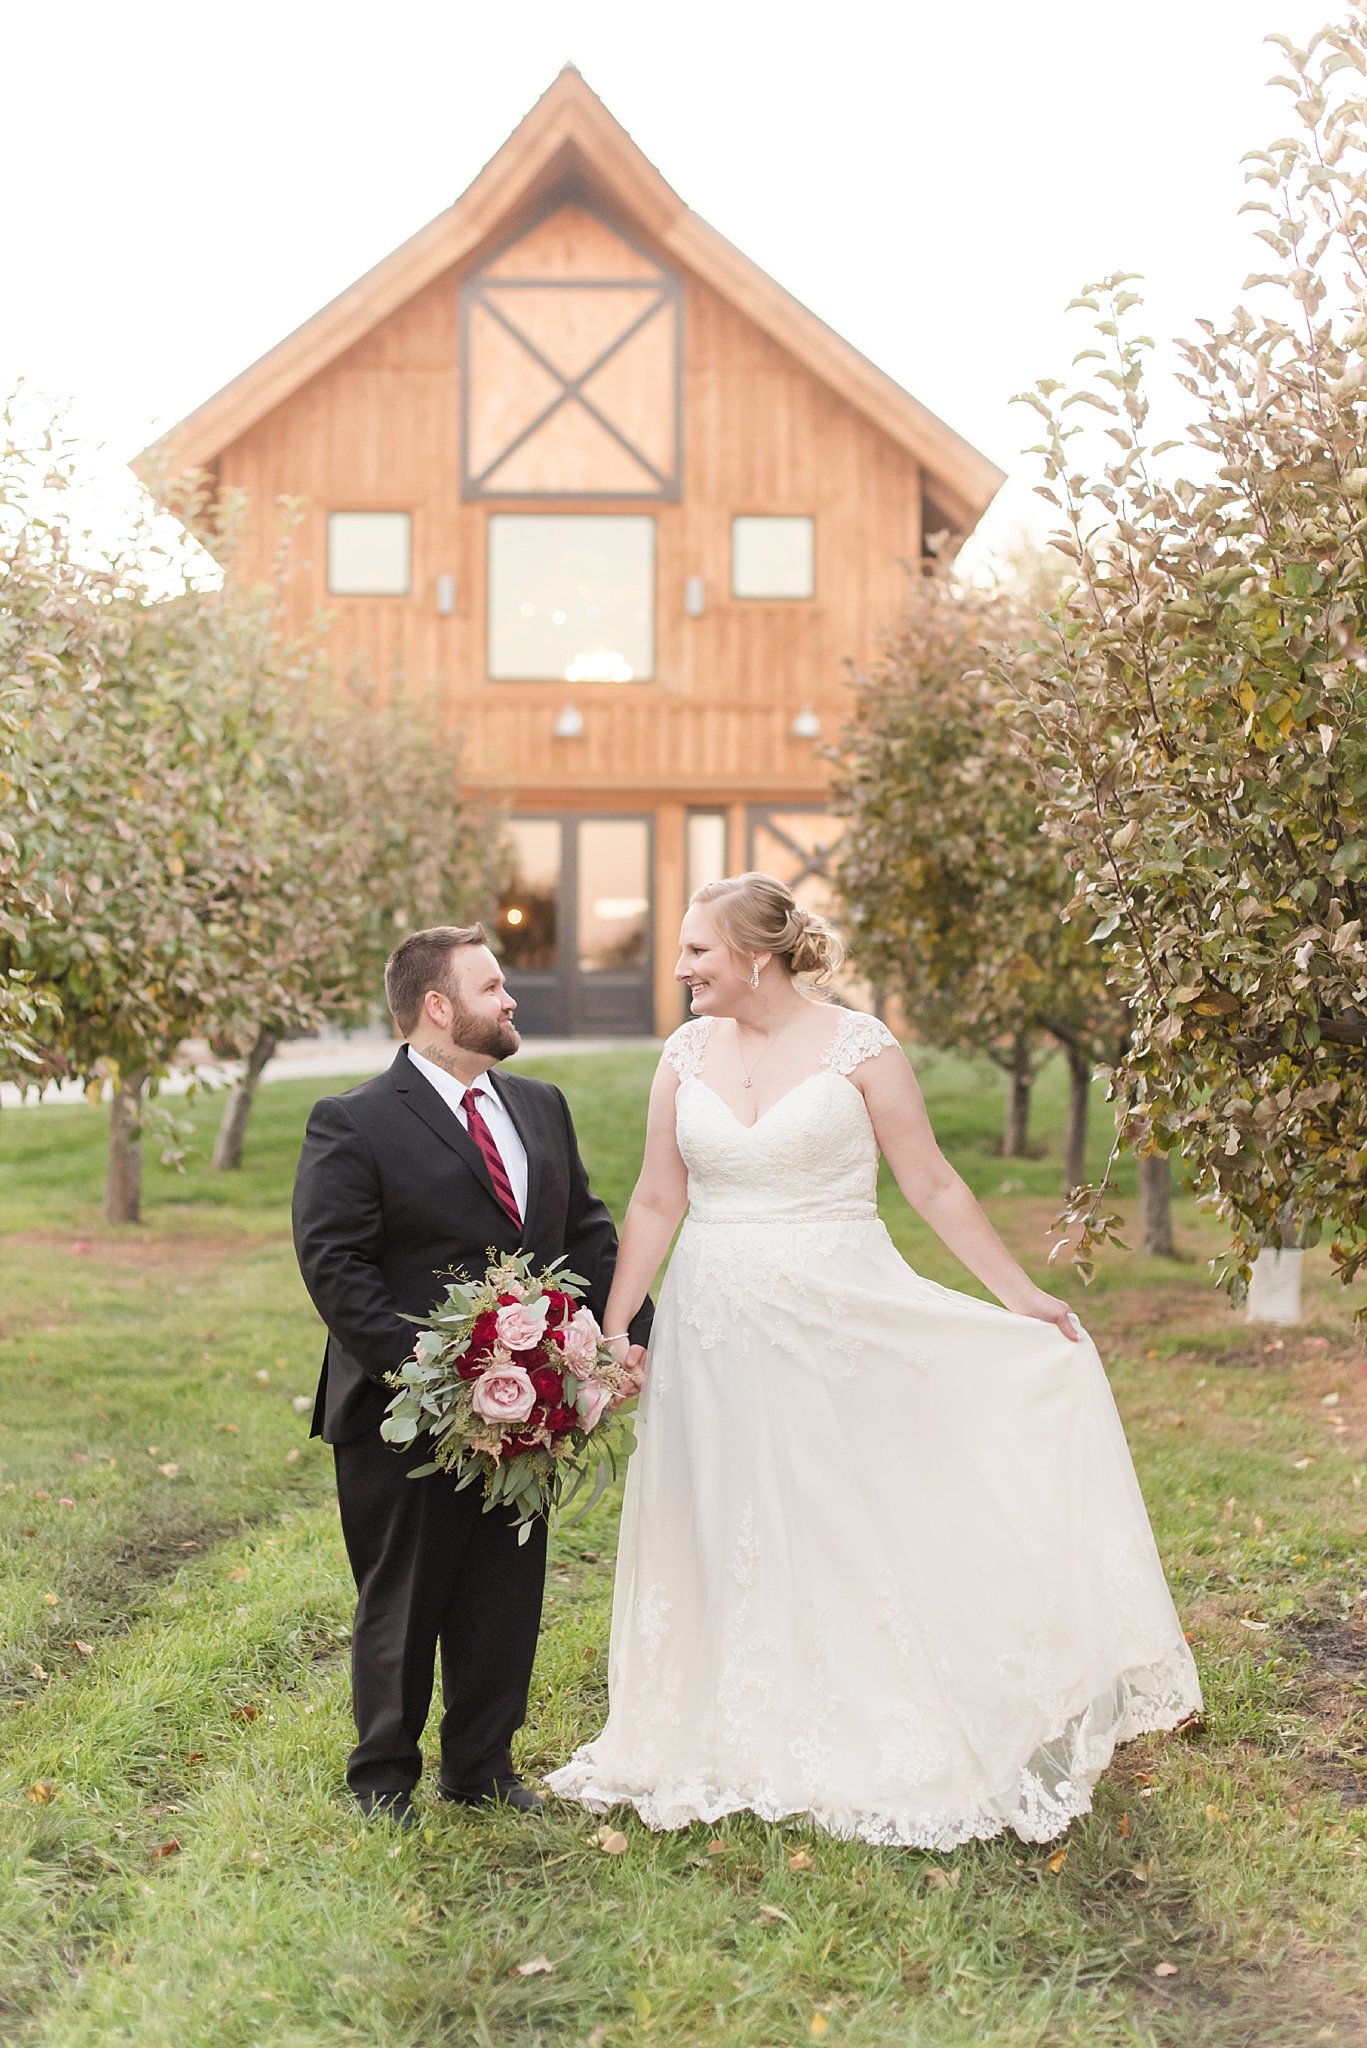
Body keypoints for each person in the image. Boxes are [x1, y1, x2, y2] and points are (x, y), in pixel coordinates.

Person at [547, 874, 1201, 1849]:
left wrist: (1016, 1293)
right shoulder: (682, 1054)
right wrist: (615, 1323)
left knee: (842, 1504)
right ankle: (728, 1717)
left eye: (695, 950)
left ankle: (876, 1709)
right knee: (724, 1508)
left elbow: (930, 1182)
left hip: (835, 1309)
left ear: (753, 956)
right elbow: (653, 1199)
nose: (679, 967)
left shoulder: (862, 1047)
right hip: (711, 1319)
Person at [292, 924, 650, 1829]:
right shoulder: (354, 1120)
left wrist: (620, 1334)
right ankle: (382, 1779)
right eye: (493, 987)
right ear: (438, 1008)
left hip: (533, 1402)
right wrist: (426, 1373)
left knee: (504, 1590)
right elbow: (334, 1265)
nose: (511, 1000)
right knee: (405, 1596)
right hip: (399, 1413)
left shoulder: (540, 1105)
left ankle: (481, 1764)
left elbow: (588, 1234)